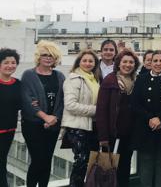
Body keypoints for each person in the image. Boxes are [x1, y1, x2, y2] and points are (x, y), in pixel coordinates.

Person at [20, 41, 65, 187]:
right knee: (38, 160)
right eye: (44, 55)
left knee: (47, 160)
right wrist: (45, 116)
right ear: (38, 57)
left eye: (51, 55)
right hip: (33, 125)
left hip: (53, 125)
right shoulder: (28, 75)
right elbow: (27, 101)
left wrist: (55, 118)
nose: (48, 58)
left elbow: (62, 101)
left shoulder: (59, 76)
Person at [132, 50, 161, 187]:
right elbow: (135, 103)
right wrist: (150, 118)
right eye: (155, 61)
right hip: (145, 128)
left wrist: (160, 119)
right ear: (150, 62)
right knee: (145, 164)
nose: (158, 64)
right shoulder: (141, 79)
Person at [96, 49, 140, 187]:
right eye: (125, 61)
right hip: (112, 135)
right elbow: (101, 110)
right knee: (108, 172)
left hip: (129, 135)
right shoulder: (110, 80)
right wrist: (103, 137)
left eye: (131, 62)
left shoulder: (136, 82)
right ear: (118, 64)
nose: (128, 65)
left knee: (124, 169)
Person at [62, 49, 101, 187]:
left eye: (91, 61)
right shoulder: (74, 79)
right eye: (84, 60)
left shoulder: (94, 79)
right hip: (77, 126)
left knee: (91, 162)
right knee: (81, 161)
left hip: (92, 126)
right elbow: (70, 105)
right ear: (79, 62)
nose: (88, 63)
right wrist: (96, 111)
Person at [0, 49, 21, 187]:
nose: (10, 65)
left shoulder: (18, 84)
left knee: (2, 162)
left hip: (9, 130)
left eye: (13, 63)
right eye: (6, 62)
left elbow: (23, 104)